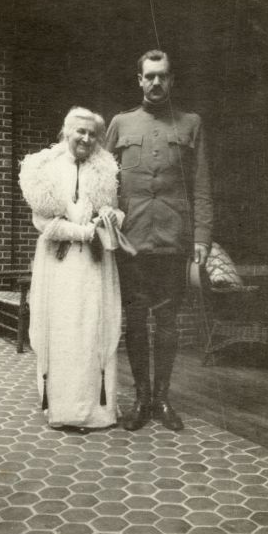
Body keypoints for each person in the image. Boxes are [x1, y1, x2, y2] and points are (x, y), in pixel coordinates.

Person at [106, 50, 213, 432]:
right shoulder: (120, 123)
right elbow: (103, 184)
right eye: (149, 76)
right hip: (130, 240)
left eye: (162, 76)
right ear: (139, 80)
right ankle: (140, 398)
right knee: (135, 321)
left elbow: (201, 187)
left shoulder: (191, 124)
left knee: (167, 322)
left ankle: (163, 400)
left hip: (173, 240)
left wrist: (201, 237)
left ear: (172, 81)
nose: (155, 83)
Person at [19, 107, 124, 432]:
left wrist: (110, 219)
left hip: (93, 266)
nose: (86, 138)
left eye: (93, 134)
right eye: (80, 132)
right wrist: (80, 231)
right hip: (59, 264)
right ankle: (62, 409)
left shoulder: (105, 169)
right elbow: (42, 220)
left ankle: (96, 411)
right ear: (66, 132)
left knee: (92, 326)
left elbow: (115, 210)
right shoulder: (44, 167)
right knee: (62, 328)